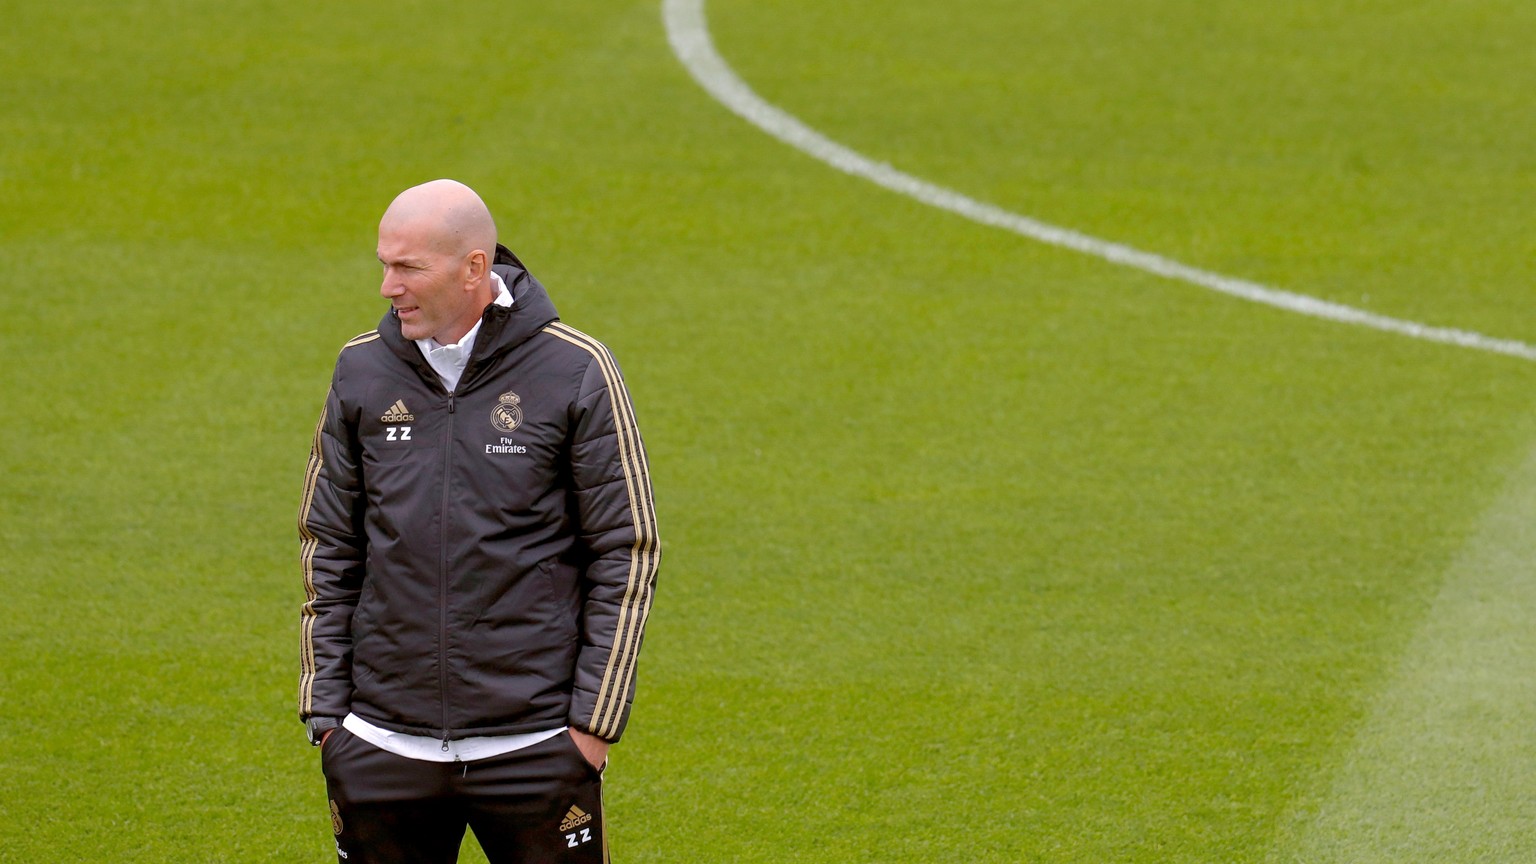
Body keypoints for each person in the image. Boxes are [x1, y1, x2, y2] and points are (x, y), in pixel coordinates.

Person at [298, 179, 660, 863]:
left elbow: (626, 549)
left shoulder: (577, 371)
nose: (386, 286)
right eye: (383, 263)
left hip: (534, 747)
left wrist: (592, 727)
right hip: (380, 745)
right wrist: (329, 719)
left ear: (472, 269)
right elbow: (329, 543)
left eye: (407, 267)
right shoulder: (361, 372)